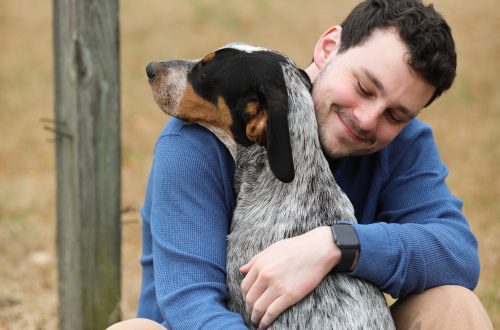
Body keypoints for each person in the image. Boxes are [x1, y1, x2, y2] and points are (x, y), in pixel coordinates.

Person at [108, 0, 493, 329]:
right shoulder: (199, 139)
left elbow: (456, 254)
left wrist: (337, 244)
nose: (367, 119)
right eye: (363, 87)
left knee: (453, 307)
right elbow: (192, 307)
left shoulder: (404, 144)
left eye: (396, 114)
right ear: (328, 47)